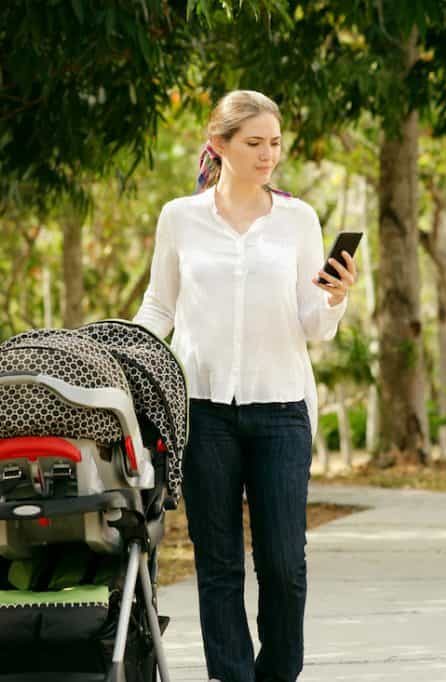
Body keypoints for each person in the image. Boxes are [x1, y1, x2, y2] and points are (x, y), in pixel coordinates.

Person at [132, 90, 357, 682]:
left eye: (275, 144)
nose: (268, 156)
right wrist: (125, 358)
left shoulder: (299, 220)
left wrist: (334, 297)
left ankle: (277, 674)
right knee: (219, 566)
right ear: (219, 146)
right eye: (254, 143)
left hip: (282, 409)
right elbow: (160, 305)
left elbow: (313, 323)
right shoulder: (180, 217)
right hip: (203, 413)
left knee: (284, 565)